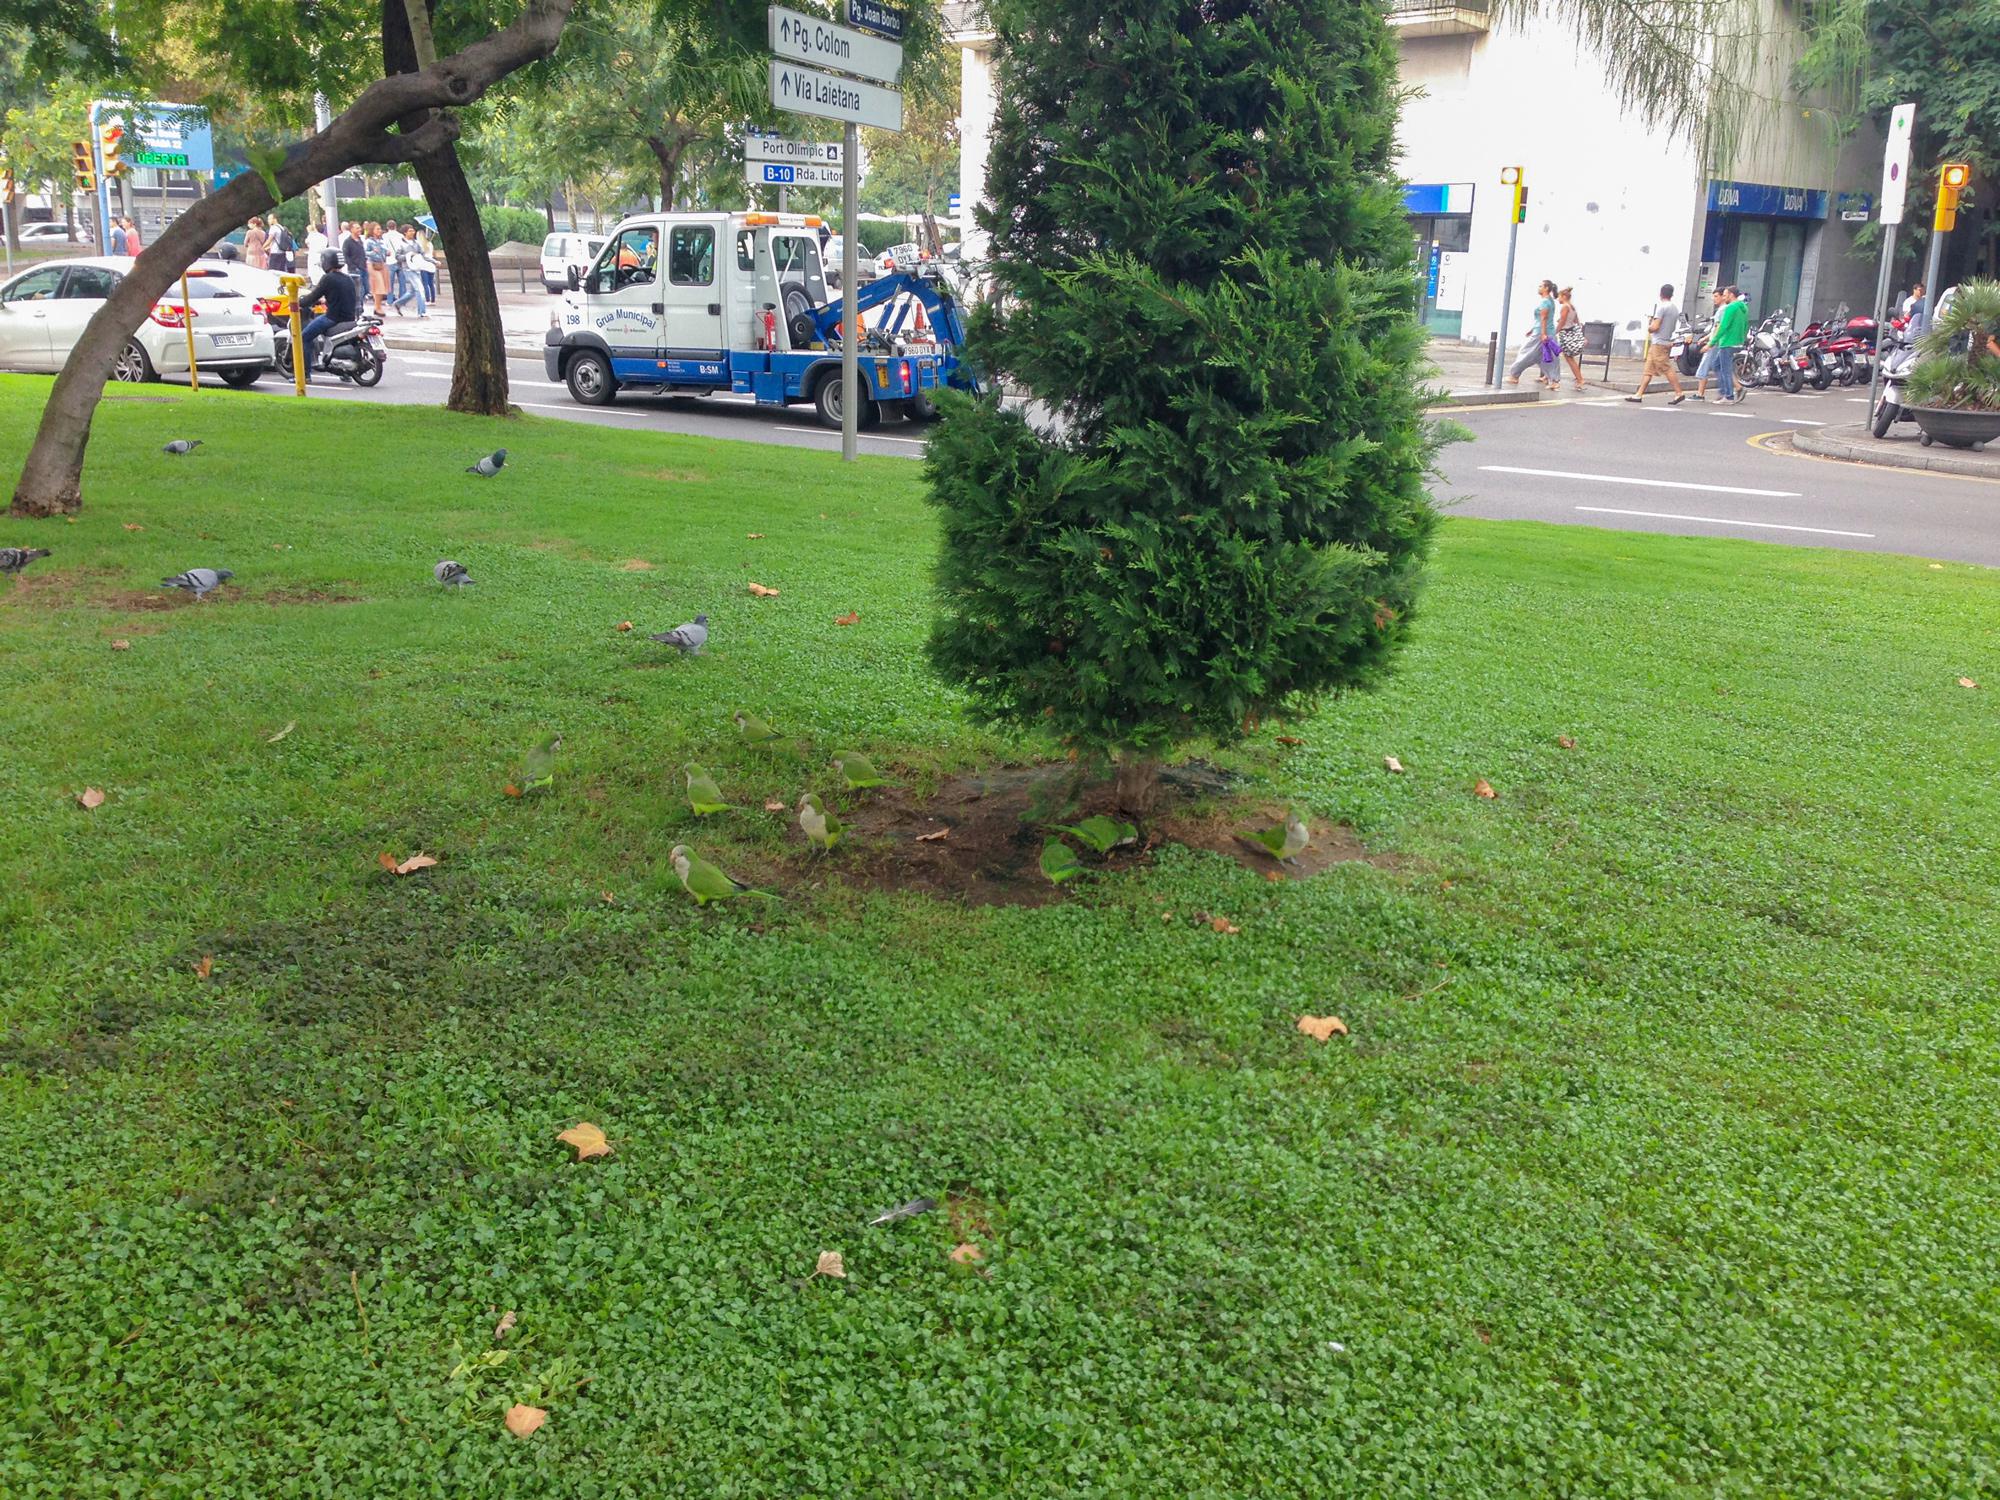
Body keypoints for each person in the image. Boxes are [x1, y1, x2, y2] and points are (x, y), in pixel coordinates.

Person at [294, 248, 361, 378]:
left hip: (333, 318)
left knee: (304, 337)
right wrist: (325, 300)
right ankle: (344, 374)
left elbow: (312, 296)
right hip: (349, 319)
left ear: (326, 262)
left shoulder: (328, 278)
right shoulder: (347, 279)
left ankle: (304, 375)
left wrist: (299, 302)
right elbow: (340, 296)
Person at [1626, 281, 1686, 404]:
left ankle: (1679, 392)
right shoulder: (1674, 308)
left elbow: (1655, 327)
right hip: (1665, 341)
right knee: (1648, 370)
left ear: (1661, 294)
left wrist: (1649, 324)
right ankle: (1639, 394)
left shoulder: (1662, 308)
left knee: (1666, 368)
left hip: (1659, 343)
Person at [1694, 285, 1747, 404]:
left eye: (1725, 294)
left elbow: (1722, 327)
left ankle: (1728, 396)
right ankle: (1728, 391)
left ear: (1731, 295)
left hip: (1727, 342)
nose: (1724, 297)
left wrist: (1711, 343)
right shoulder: (1743, 307)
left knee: (1725, 369)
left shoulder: (1730, 308)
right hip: (1737, 341)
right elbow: (1745, 325)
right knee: (1717, 365)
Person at [1506, 278, 1561, 390]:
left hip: (1540, 334)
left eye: (1541, 286)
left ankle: (1514, 375)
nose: (1538, 288)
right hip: (1543, 332)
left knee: (1525, 353)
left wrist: (1543, 334)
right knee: (1547, 358)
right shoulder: (1550, 300)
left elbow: (1544, 318)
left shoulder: (1545, 302)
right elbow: (1543, 318)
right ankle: (1554, 381)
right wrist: (1533, 329)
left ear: (1546, 288)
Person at [387, 224, 427, 317]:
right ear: (405, 232)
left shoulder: (416, 243)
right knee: (420, 289)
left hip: (417, 268)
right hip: (408, 269)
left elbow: (422, 254)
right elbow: (397, 256)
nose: (412, 232)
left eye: (413, 230)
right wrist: (408, 256)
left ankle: (398, 303)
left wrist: (432, 262)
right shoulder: (401, 244)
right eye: (410, 231)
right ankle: (422, 312)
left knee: (412, 291)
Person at [1555, 286, 1586, 391]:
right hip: (1571, 334)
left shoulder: (1565, 307)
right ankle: (1548, 376)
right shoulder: (1572, 307)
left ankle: (1580, 379)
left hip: (1565, 335)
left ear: (1564, 297)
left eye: (1559, 297)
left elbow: (1563, 322)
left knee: (1568, 358)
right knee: (1563, 356)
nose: (1558, 299)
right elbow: (1576, 321)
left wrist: (1555, 332)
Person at [363, 221, 389, 315]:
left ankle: (377, 306)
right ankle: (377, 307)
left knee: (382, 286)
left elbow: (385, 251)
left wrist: (387, 252)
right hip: (373, 264)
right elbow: (365, 253)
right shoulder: (368, 241)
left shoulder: (382, 241)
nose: (380, 231)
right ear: (372, 230)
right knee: (379, 285)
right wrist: (373, 252)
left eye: (380, 229)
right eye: (377, 229)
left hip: (382, 264)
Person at [340, 221, 367, 302]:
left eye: (360, 227)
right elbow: (345, 255)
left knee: (366, 289)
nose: (360, 229)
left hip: (363, 268)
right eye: (357, 228)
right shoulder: (347, 242)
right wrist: (352, 266)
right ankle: (358, 309)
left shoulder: (360, 240)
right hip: (354, 269)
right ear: (351, 229)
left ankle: (360, 308)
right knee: (358, 290)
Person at [412, 225, 438, 302]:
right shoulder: (430, 244)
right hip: (431, 265)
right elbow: (433, 254)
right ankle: (433, 299)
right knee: (431, 284)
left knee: (425, 283)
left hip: (424, 265)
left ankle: (427, 299)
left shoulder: (418, 245)